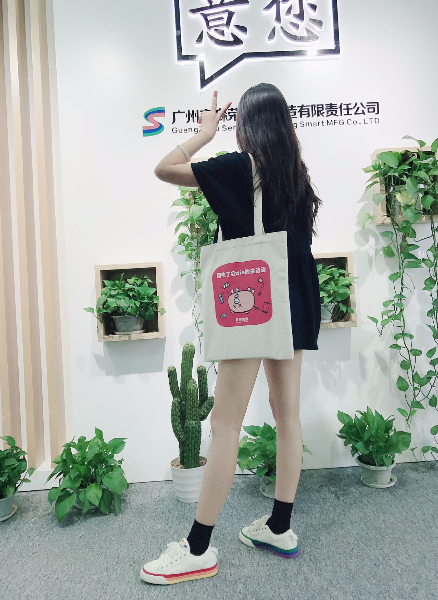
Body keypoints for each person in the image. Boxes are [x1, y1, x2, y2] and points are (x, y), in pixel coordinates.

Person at [141, 83, 322, 585]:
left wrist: (203, 134)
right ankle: (279, 526)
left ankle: (198, 548)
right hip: (295, 296)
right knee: (288, 414)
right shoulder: (295, 173)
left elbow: (164, 169)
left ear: (246, 125)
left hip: (254, 298)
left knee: (224, 425)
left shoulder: (240, 168)